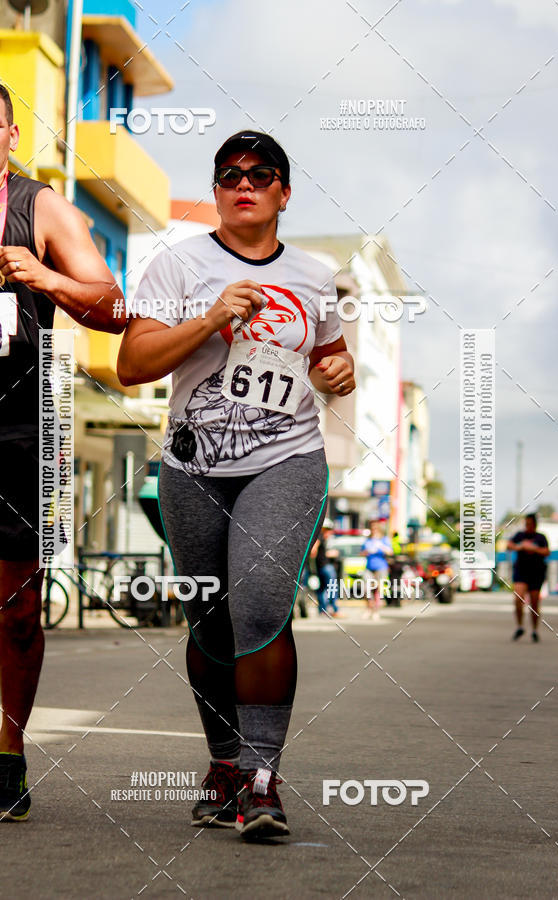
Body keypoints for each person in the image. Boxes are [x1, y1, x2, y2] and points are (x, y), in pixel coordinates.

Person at [118, 130, 355, 839]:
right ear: (217, 190)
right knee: (210, 618)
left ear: (284, 191)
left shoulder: (316, 275)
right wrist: (211, 316)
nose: (243, 183)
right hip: (194, 465)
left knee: (258, 608)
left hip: (285, 457)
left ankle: (260, 780)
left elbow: (331, 361)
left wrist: (337, 376)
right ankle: (223, 763)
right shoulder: (178, 263)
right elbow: (132, 363)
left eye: (261, 173)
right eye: (228, 174)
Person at [0, 77, 125, 821]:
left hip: (19, 432)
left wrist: (46, 277)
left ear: (11, 136)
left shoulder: (43, 208)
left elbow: (116, 307)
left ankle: (9, 749)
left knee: (18, 612)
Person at [506, 512, 550, 642]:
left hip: (536, 573)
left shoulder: (541, 537)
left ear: (535, 525)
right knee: (518, 599)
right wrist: (520, 547)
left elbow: (547, 551)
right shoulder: (520, 535)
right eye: (526, 524)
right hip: (521, 572)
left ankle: (535, 630)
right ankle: (520, 626)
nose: (528, 526)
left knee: (535, 603)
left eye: (530, 524)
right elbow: (509, 545)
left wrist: (534, 549)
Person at [361, 521, 392, 619]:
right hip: (369, 567)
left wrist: (381, 547)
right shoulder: (368, 540)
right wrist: (367, 551)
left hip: (381, 567)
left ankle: (375, 611)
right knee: (366, 588)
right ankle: (369, 608)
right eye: (372, 528)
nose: (374, 530)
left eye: (375, 528)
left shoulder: (384, 539)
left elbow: (390, 552)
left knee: (377, 590)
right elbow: (362, 553)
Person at [314, 519, 344, 617]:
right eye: (329, 530)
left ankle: (322, 610)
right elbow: (314, 550)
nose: (330, 532)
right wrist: (331, 554)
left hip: (320, 566)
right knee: (332, 587)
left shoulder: (320, 537)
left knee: (322, 588)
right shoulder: (320, 537)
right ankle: (334, 609)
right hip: (326, 566)